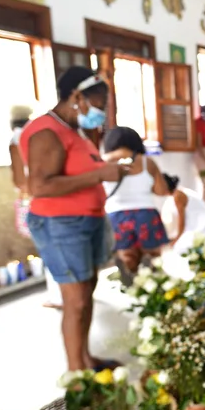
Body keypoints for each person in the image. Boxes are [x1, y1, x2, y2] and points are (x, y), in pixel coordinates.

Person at [20, 65, 130, 372]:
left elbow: (80, 170)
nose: (102, 111)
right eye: (99, 104)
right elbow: (40, 186)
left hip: (85, 221)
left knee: (86, 293)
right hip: (61, 224)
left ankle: (85, 358)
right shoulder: (46, 130)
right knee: (76, 301)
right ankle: (76, 374)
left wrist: (107, 165)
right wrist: (100, 173)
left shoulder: (73, 131)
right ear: (76, 96)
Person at [9, 105, 63, 309]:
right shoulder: (41, 135)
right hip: (54, 197)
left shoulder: (16, 140)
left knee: (48, 248)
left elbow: (20, 180)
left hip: (35, 201)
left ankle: (58, 296)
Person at [102, 126, 169, 275]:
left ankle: (131, 282)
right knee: (153, 264)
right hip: (146, 215)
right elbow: (161, 191)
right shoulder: (147, 162)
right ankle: (153, 288)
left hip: (116, 218)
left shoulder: (102, 162)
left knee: (127, 263)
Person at [160, 174, 205, 256]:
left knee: (179, 249)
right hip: (196, 225)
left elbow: (182, 223)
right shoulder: (177, 193)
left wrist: (175, 241)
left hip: (203, 226)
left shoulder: (178, 195)